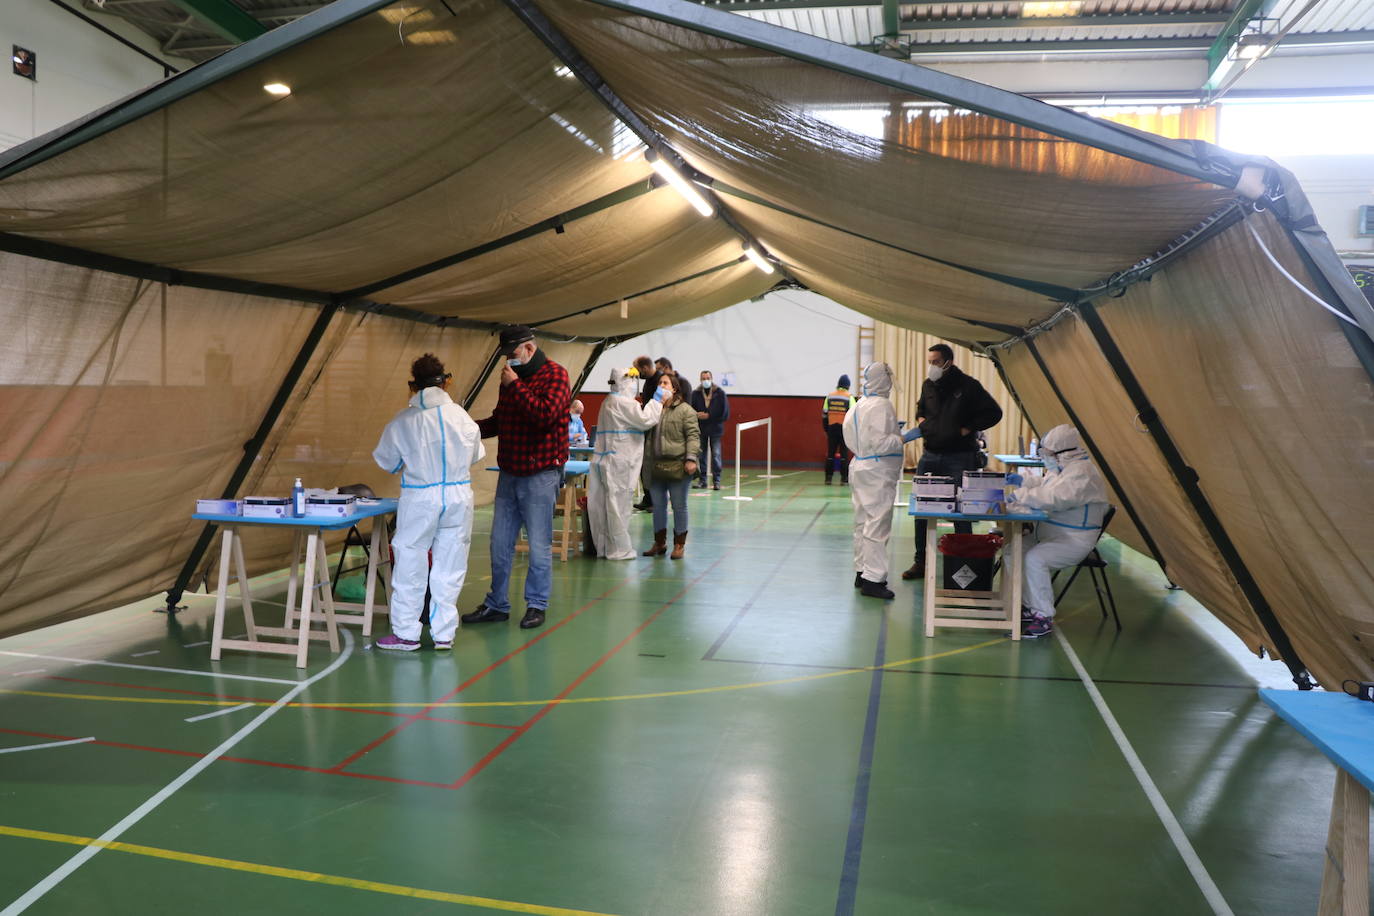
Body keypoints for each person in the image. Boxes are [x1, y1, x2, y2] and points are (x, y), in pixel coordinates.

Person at [371, 354, 484, 651]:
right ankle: (444, 633)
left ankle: (407, 634)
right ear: (446, 381)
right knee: (451, 564)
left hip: (421, 496)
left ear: (413, 385)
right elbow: (475, 455)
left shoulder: (402, 422)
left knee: (410, 562)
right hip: (459, 495)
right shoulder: (463, 417)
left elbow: (388, 462)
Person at [462, 326, 569, 631]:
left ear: (529, 349)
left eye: (513, 354)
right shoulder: (510, 379)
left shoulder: (556, 376)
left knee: (538, 545)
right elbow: (500, 419)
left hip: (540, 474)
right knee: (499, 544)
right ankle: (497, 604)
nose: (509, 361)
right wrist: (465, 427)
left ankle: (536, 605)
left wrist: (516, 386)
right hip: (510, 472)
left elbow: (545, 415)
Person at [902, 344, 1003, 581]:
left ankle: (964, 561)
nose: (932, 367)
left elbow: (994, 413)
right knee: (922, 509)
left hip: (959, 456)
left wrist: (968, 428)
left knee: (961, 510)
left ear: (948, 361)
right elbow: (921, 408)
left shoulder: (968, 385)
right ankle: (921, 561)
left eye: (936, 362)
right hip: (930, 455)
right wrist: (922, 420)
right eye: (930, 362)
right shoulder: (928, 385)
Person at [1005, 424, 1110, 639]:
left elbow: (1055, 498)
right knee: (1011, 551)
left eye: (1048, 453)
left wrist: (1021, 495)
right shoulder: (1064, 468)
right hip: (1049, 534)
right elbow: (1047, 484)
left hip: (1074, 540)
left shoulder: (1083, 473)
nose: (1045, 457)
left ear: (1063, 452)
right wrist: (1023, 481)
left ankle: (1043, 617)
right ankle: (1028, 605)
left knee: (1035, 559)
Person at [843, 363, 908, 599]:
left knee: (862, 522)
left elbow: (854, 437)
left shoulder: (859, 404)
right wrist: (902, 437)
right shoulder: (881, 405)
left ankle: (862, 572)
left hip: (860, 466)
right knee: (877, 524)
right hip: (877, 471)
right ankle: (874, 579)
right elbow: (882, 443)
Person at [586, 367, 663, 560]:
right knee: (618, 506)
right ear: (625, 382)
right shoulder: (624, 403)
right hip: (620, 462)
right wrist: (659, 399)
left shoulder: (608, 401)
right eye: (632, 381)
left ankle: (604, 547)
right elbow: (646, 419)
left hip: (607, 460)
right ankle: (619, 550)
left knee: (605, 505)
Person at [642, 374, 699, 560]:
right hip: (656, 465)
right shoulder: (653, 409)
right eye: (659, 383)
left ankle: (679, 545)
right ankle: (659, 543)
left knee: (679, 506)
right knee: (658, 506)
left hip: (679, 466)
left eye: (665, 383)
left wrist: (691, 459)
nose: (661, 386)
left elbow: (693, 435)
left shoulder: (685, 410)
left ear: (674, 389)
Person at [690, 369, 729, 490]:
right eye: (703, 378)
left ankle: (717, 481)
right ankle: (703, 481)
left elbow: (725, 412)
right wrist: (696, 415)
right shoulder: (695, 393)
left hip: (715, 430)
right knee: (701, 456)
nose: (706, 380)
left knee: (716, 455)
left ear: (711, 379)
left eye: (708, 378)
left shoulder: (720, 393)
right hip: (701, 429)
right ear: (700, 380)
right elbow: (690, 409)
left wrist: (709, 415)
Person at [821, 374, 855, 485]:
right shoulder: (849, 397)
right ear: (847, 386)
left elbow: (824, 414)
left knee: (830, 453)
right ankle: (844, 479)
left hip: (832, 428)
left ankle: (828, 478)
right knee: (844, 455)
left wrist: (826, 429)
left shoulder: (829, 397)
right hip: (844, 429)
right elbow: (853, 415)